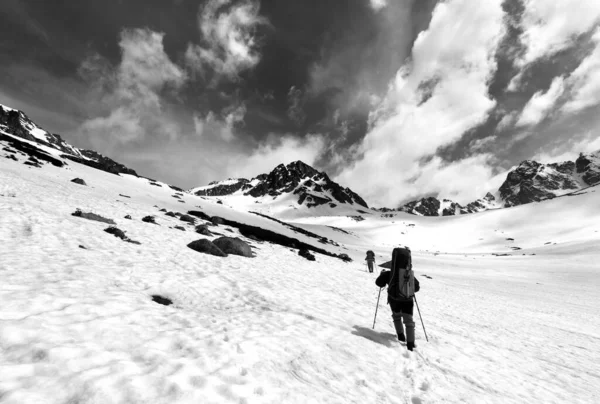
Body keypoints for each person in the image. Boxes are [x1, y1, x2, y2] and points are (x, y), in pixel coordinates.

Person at [375, 248, 420, 351]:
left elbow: (379, 283)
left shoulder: (389, 274)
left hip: (394, 299)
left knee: (396, 317)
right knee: (409, 321)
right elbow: (417, 288)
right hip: (408, 301)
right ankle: (410, 344)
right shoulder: (409, 275)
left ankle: (400, 336)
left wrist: (383, 276)